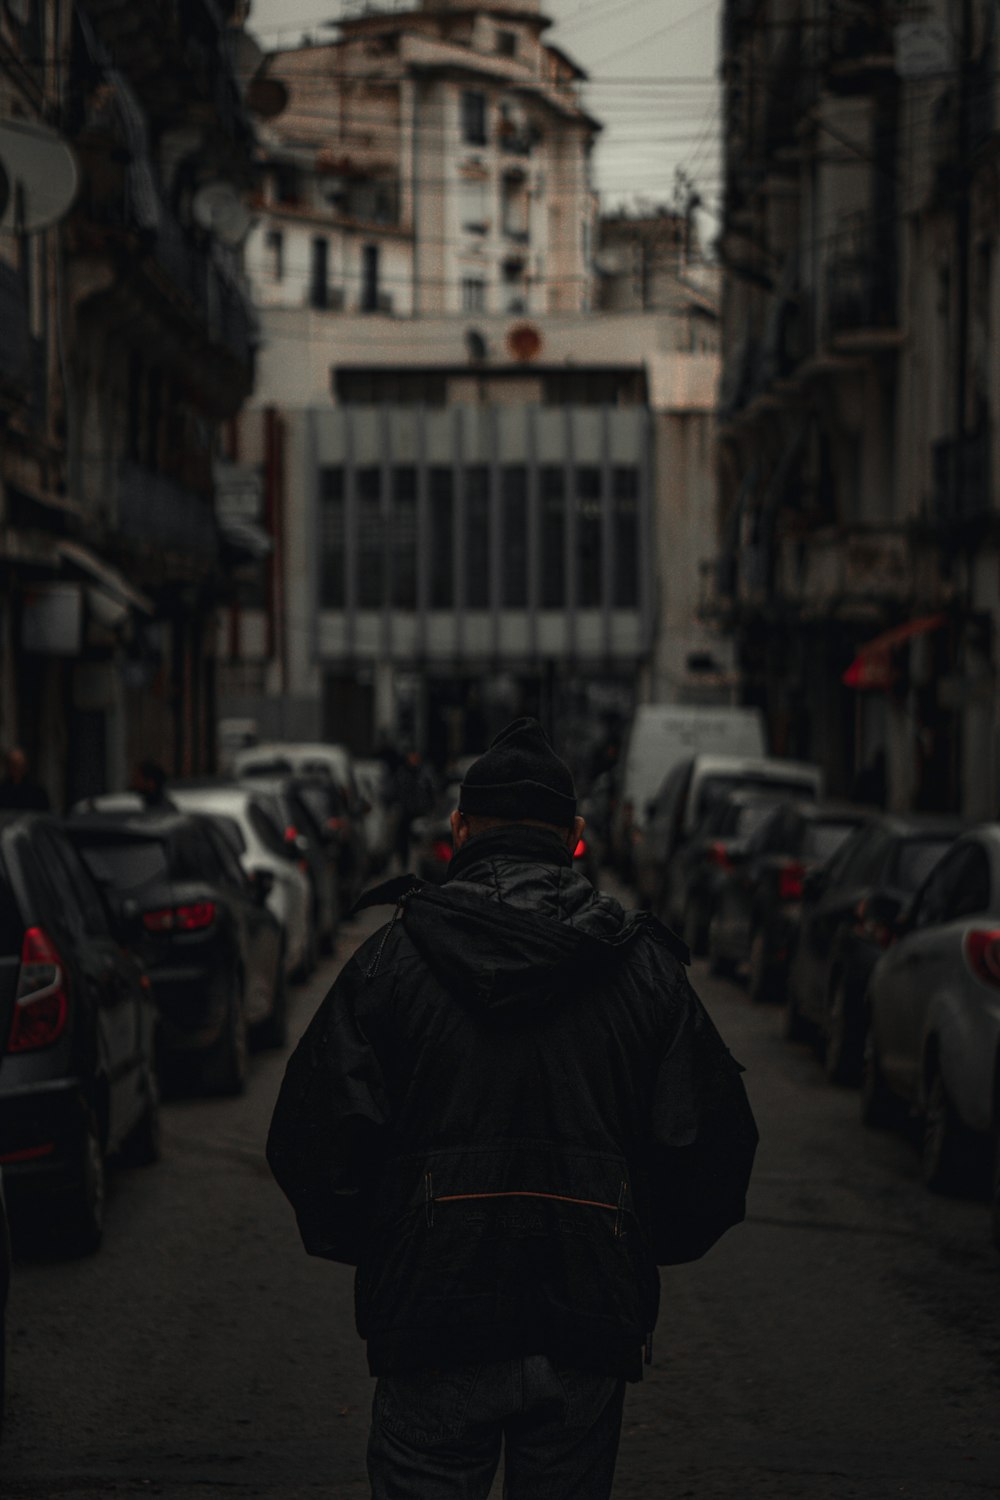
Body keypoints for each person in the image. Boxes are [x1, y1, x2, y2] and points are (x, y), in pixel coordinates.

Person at [267, 717, 758, 1500]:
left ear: (460, 829)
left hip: (433, 1323)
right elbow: (712, 1149)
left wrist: (400, 1243)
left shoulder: (390, 963)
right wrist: (622, 1236)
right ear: (575, 836)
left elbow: (312, 1140)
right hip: (585, 1328)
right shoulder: (644, 971)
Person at [0, 747, 50, 811]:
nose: (17, 768)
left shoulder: (36, 792)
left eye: (20, 764)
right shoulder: (2, 791)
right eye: (14, 764)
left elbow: (44, 815)